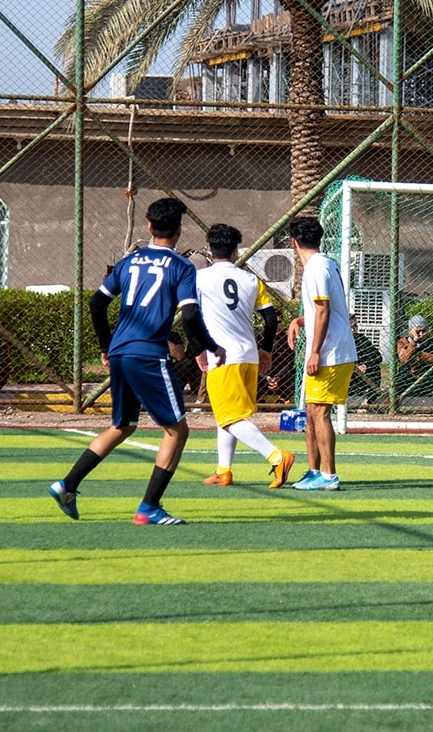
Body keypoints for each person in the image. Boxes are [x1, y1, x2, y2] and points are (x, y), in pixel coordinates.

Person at [48, 196, 210, 525]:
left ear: (149, 227)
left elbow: (97, 303)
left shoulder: (128, 262)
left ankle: (67, 485)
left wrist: (106, 345)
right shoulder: (182, 267)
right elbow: (191, 315)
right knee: (177, 430)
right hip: (149, 354)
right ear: (179, 230)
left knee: (122, 425)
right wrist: (205, 347)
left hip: (121, 352)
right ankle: (149, 507)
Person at [195, 222, 296, 489]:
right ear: (236, 250)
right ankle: (223, 470)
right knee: (228, 414)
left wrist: (198, 350)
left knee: (230, 417)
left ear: (209, 248)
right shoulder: (251, 280)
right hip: (249, 354)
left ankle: (277, 457)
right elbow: (271, 320)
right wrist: (267, 349)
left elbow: (191, 318)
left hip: (221, 356)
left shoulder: (199, 279)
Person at [287, 216, 354, 487]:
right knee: (312, 411)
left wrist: (315, 352)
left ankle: (329, 475)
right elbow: (326, 310)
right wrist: (300, 320)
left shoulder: (316, 268)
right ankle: (314, 471)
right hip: (330, 348)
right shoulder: (325, 264)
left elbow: (324, 310)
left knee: (320, 412)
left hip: (330, 352)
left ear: (294, 242)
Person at [393, 314, 433, 400]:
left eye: (424, 331)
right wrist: (414, 341)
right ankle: (397, 399)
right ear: (411, 331)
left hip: (426, 382)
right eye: (418, 331)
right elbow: (404, 359)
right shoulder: (403, 342)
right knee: (403, 369)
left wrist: (419, 356)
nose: (421, 334)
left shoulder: (431, 342)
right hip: (409, 381)